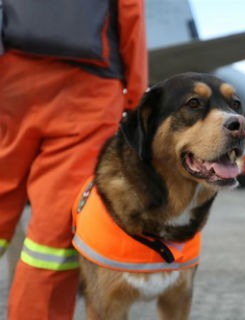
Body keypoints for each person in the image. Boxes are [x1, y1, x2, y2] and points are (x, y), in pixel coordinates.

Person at [0, 0, 148, 318]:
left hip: (10, 75)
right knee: (52, 239)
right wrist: (134, 94)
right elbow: (130, 10)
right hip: (88, 89)